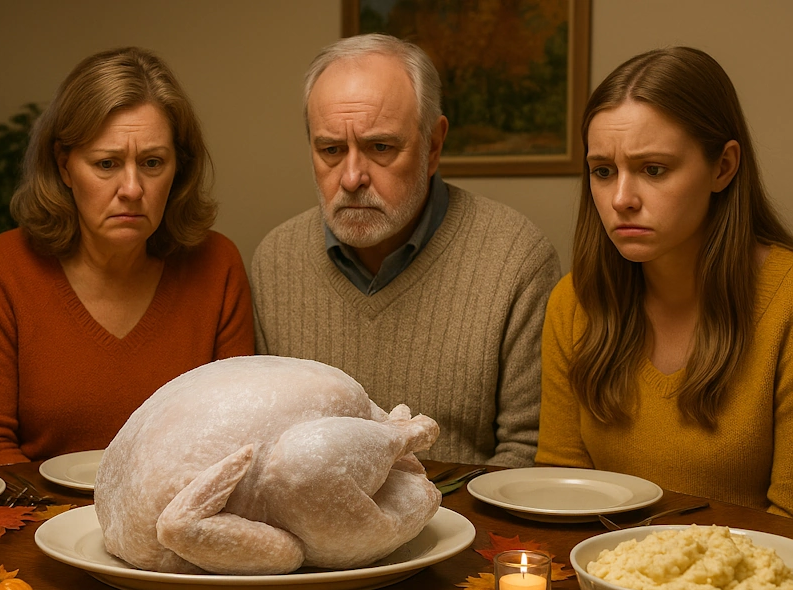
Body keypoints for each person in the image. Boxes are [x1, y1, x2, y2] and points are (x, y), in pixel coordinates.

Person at [252, 34, 560, 467]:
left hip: (469, 528)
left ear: (433, 146)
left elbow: (528, 452)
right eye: (331, 150)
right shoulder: (275, 263)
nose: (352, 176)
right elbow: (262, 447)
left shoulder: (516, 259)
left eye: (381, 148)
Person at [0, 47, 254, 469]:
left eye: (152, 163)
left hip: (174, 521)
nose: (131, 188)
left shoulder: (217, 264)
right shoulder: (0, 270)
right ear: (63, 166)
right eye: (107, 163)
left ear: (178, 168)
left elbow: (237, 435)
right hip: (38, 522)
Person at [536, 47, 793, 516]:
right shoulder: (575, 302)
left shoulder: (787, 302)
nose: (622, 199)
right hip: (601, 579)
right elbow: (561, 491)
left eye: (653, 170)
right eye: (603, 171)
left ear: (723, 167)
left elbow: (789, 523)